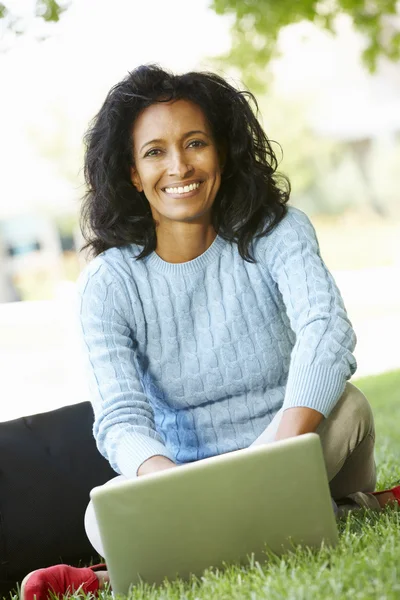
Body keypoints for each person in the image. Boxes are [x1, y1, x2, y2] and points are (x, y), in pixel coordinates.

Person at [21, 64, 400, 600]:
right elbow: (120, 417)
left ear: (221, 150)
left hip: (295, 445)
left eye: (195, 143)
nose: (179, 166)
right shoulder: (108, 283)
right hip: (184, 476)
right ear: (132, 172)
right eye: (154, 151)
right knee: (100, 517)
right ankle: (347, 512)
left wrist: (274, 456)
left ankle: (115, 577)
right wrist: (170, 488)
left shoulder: (277, 230)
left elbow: (326, 332)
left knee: (352, 409)